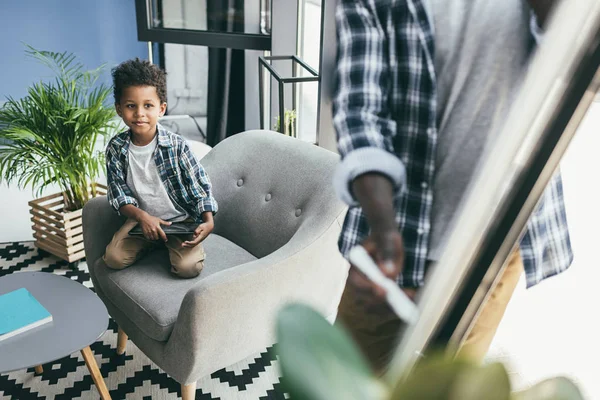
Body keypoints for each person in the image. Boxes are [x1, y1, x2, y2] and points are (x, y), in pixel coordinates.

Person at [332, 0, 573, 371]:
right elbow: (359, 112)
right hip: (394, 235)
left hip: (496, 247)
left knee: (449, 383)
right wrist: (382, 224)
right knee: (343, 377)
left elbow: (578, 67)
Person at [101, 58, 218, 279]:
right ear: (119, 109)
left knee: (188, 269)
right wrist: (143, 217)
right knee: (114, 259)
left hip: (179, 221)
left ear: (161, 109)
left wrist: (208, 220)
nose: (139, 114)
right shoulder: (116, 148)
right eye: (130, 106)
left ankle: (168, 242)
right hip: (140, 220)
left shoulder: (177, 145)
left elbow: (199, 185)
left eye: (148, 105)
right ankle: (151, 241)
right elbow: (118, 193)